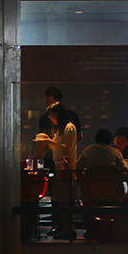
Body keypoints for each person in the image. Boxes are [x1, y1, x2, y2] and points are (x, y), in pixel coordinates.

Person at [33, 103, 79, 240]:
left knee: (63, 199)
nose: (50, 118)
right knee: (59, 198)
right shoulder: (59, 130)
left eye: (52, 115)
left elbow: (66, 149)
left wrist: (48, 141)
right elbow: (58, 148)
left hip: (66, 168)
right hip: (59, 167)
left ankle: (68, 229)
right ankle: (65, 228)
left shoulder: (69, 128)